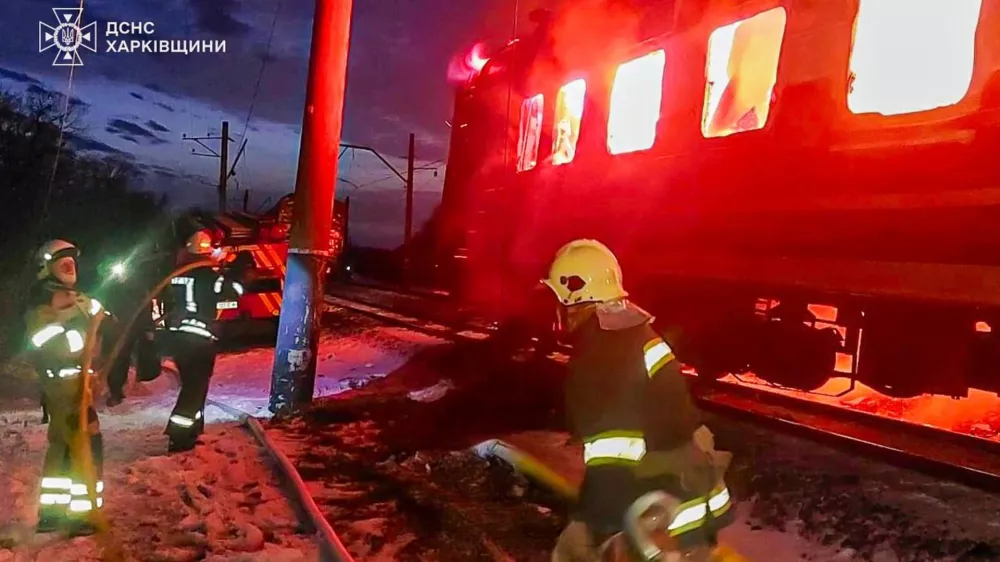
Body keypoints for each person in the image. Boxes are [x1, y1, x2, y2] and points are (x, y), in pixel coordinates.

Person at [542, 239, 734, 561]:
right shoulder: (636, 333)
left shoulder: (602, 354)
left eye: (559, 300)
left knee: (572, 553)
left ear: (574, 297)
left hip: (659, 503)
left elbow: (613, 451)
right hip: (689, 493)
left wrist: (599, 521)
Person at [24, 239, 106, 534]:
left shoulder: (76, 298)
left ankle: (53, 513)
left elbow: (99, 312)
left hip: (77, 385)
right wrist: (74, 323)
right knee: (85, 447)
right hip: (63, 387)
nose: (70, 266)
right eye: (62, 262)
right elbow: (46, 343)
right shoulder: (43, 304)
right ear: (46, 268)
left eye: (72, 261)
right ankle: (82, 515)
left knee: (63, 447)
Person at [157, 229, 242, 452]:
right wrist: (238, 274)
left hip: (179, 339)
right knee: (195, 388)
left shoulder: (177, 274)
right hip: (200, 341)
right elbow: (230, 294)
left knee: (194, 386)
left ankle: (193, 430)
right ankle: (178, 435)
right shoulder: (210, 276)